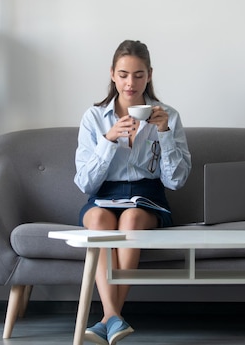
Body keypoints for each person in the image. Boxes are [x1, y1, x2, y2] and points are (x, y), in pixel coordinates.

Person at [74, 40, 191, 345]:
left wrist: (164, 134)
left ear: (149, 75)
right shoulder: (94, 117)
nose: (131, 83)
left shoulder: (168, 116)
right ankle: (113, 317)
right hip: (103, 195)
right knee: (98, 219)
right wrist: (108, 140)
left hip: (147, 198)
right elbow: (85, 183)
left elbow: (176, 181)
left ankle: (108, 317)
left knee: (131, 219)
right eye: (124, 74)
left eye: (138, 75)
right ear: (112, 74)